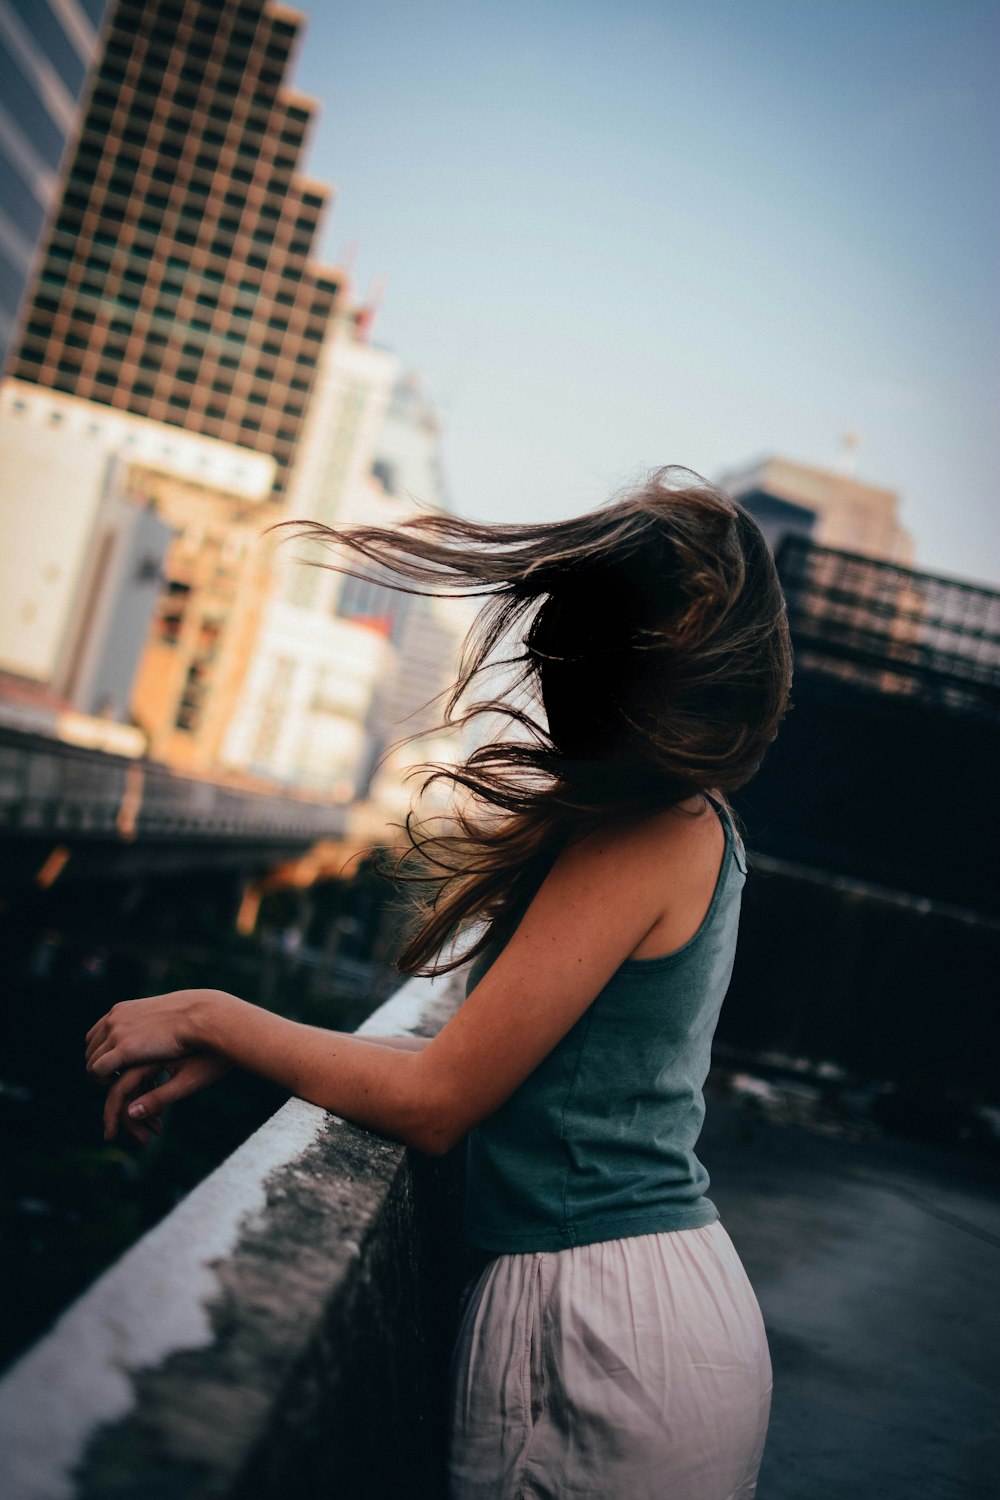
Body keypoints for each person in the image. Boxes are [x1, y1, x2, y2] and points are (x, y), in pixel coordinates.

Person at [85, 466, 792, 1499]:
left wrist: (210, 1010)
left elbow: (438, 1102)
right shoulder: (694, 829)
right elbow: (481, 1064)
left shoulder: (643, 837)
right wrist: (235, 1047)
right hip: (649, 1312)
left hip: (592, 1324)